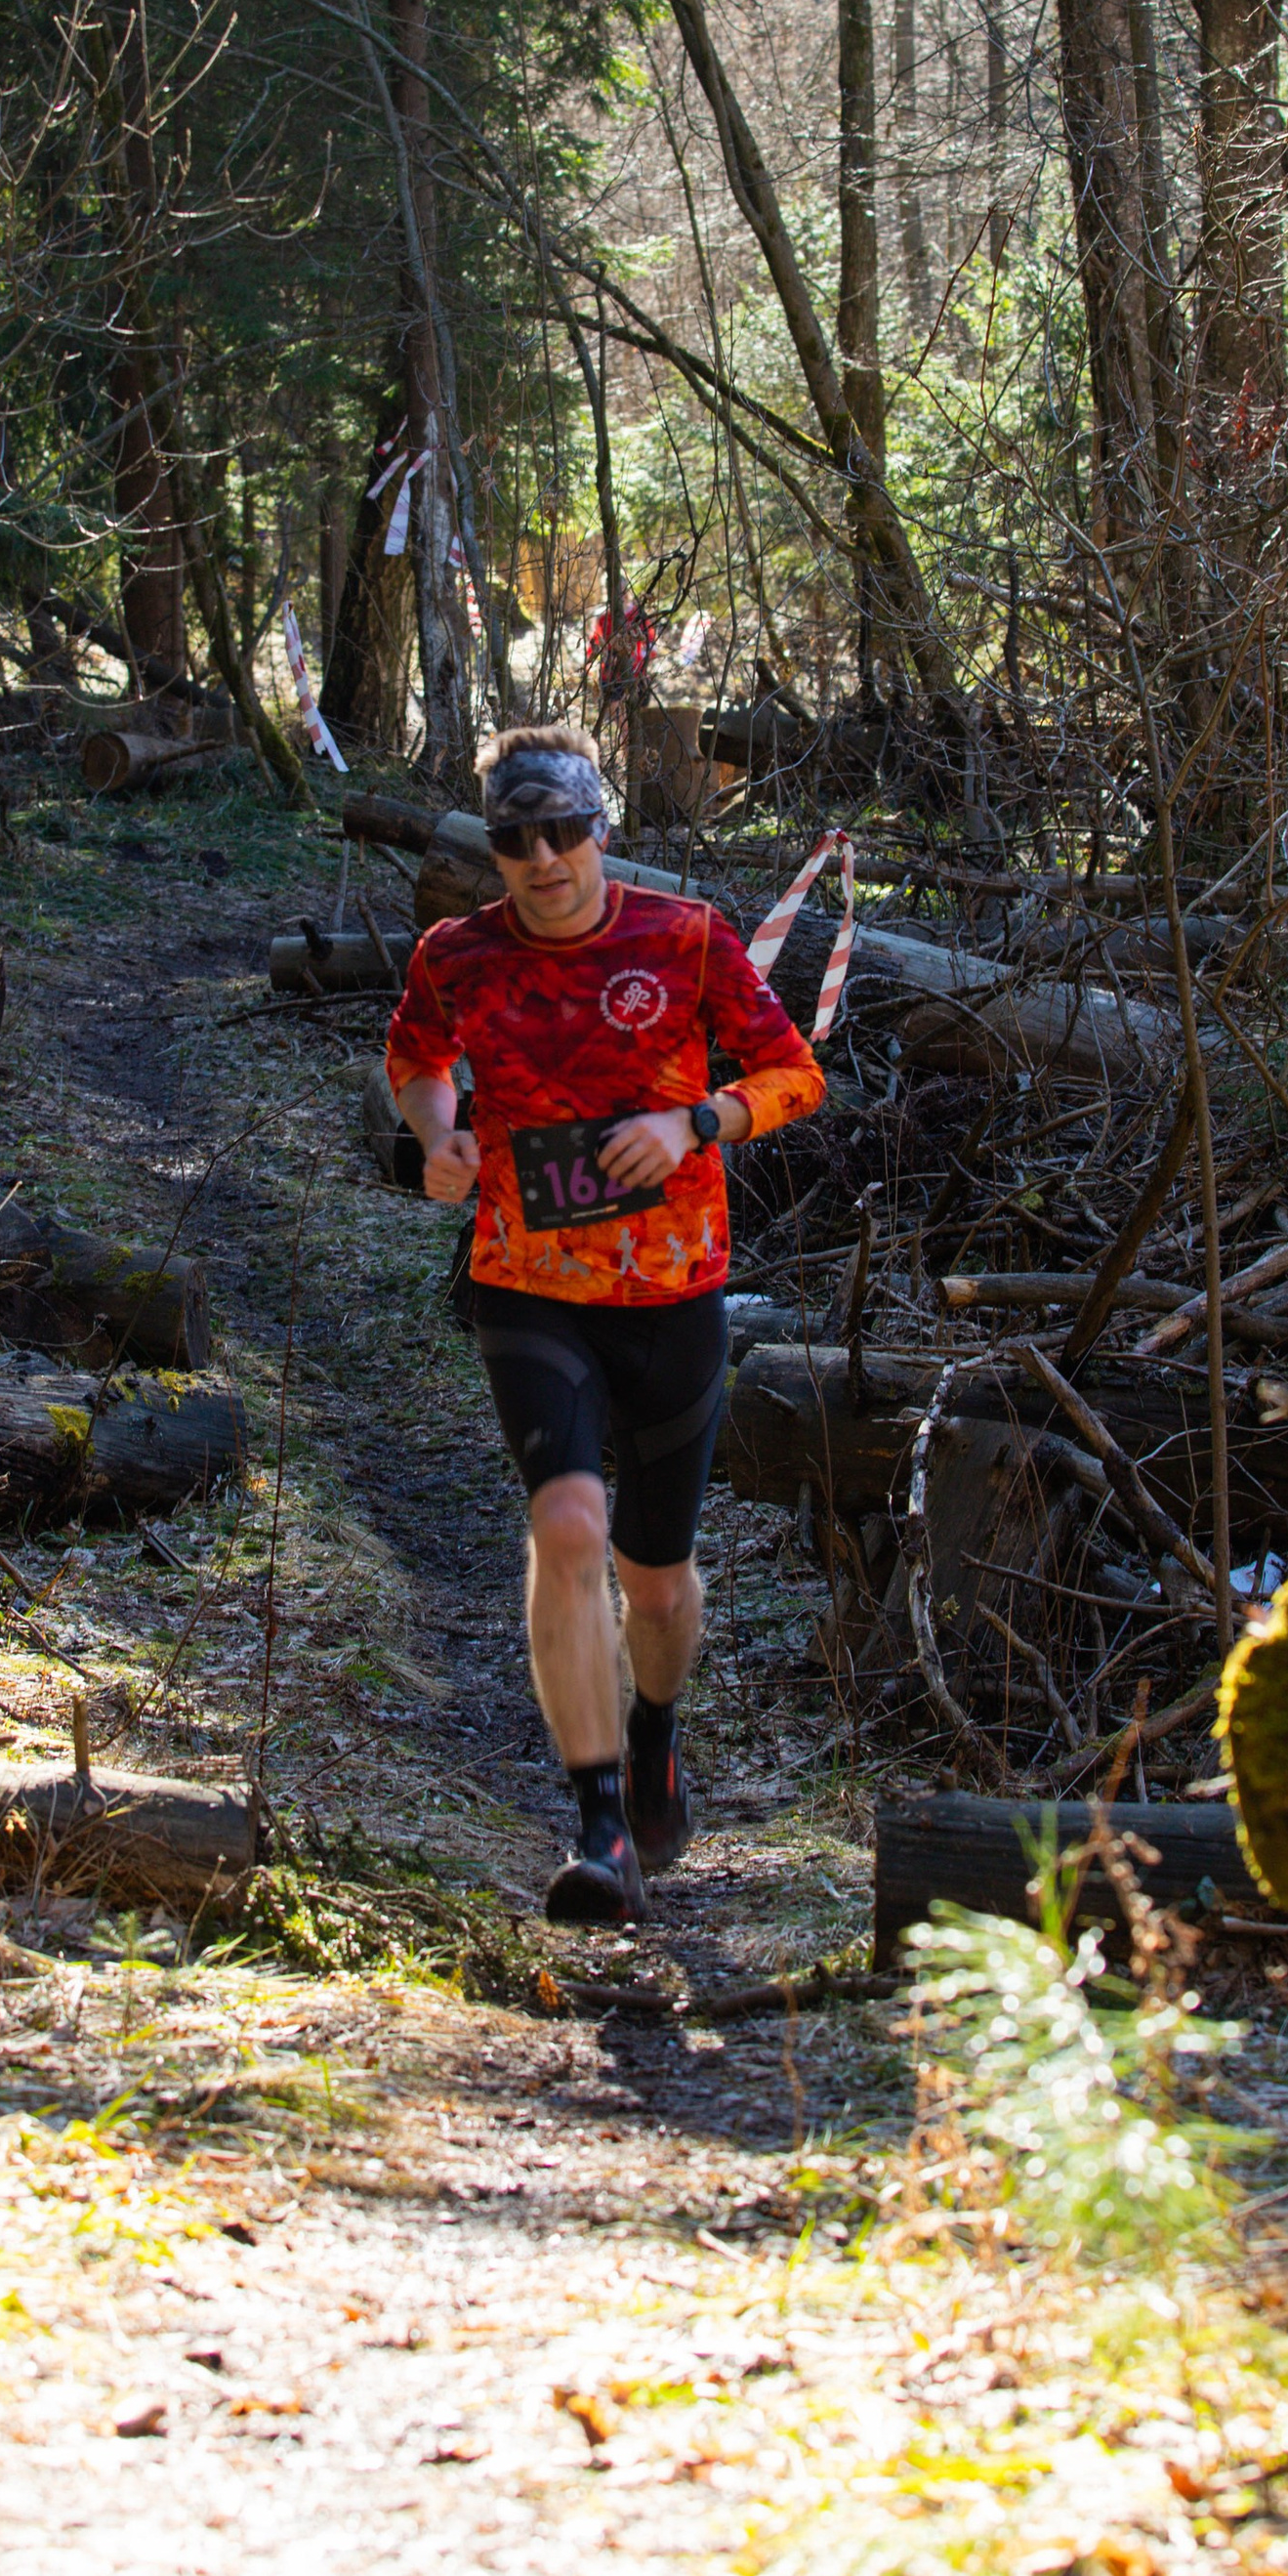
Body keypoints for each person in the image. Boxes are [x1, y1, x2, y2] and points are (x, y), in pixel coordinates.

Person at [384, 722, 825, 1924]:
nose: (542, 859)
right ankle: (594, 1831)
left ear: (600, 829)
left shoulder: (680, 938)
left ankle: (652, 1735)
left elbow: (794, 1071)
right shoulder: (455, 955)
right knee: (568, 1529)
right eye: (517, 838)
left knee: (659, 1582)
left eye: (563, 831)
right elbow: (417, 1058)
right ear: (497, 846)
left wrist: (698, 1124)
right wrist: (438, 1139)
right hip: (526, 1279)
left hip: (673, 1290)